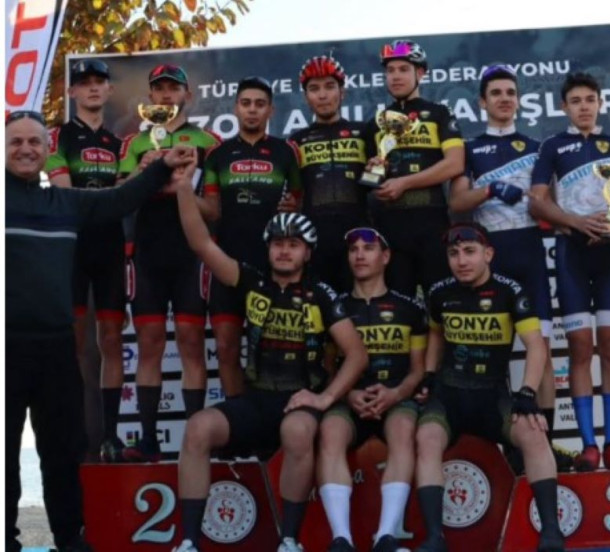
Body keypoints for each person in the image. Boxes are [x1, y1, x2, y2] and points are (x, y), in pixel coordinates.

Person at [6, 110, 194, 552]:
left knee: (63, 452)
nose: (26, 149)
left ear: (47, 151)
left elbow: (119, 200)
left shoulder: (65, 204)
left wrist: (162, 167)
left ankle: (70, 538)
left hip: (57, 349)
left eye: (34, 142)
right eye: (16, 142)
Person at [170, 165, 369, 552]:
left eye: (293, 244)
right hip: (256, 400)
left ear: (307, 252)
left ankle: (289, 541)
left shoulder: (322, 294)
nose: (284, 250)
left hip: (300, 402)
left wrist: (324, 399)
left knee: (296, 432)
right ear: (268, 249)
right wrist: (182, 186)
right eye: (277, 243)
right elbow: (201, 243)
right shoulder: (251, 281)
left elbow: (357, 355)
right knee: (197, 428)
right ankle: (189, 542)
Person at [449, 63, 571, 471]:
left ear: (519, 100)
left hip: (530, 255)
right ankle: (503, 445)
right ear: (482, 103)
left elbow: (553, 205)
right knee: (492, 354)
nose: (504, 99)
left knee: (543, 351)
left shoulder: (538, 147)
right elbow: (457, 203)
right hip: (490, 256)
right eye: (496, 93)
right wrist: (489, 190)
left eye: (510, 93)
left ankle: (545, 444)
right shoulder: (470, 148)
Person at [413, 223, 563, 552]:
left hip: (492, 396)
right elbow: (435, 334)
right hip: (449, 397)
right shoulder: (439, 293)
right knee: (426, 439)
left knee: (535, 435)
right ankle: (434, 537)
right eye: (454, 254)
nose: (461, 261)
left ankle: (551, 533)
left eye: (470, 252)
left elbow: (536, 346)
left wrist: (527, 392)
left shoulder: (511, 292)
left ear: (488, 254)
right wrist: (428, 374)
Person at [118, 64, 222, 462]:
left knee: (192, 343)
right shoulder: (136, 142)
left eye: (173, 88)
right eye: (159, 89)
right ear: (150, 98)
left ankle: (195, 441)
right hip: (148, 253)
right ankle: (148, 440)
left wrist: (181, 187)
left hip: (190, 255)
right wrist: (142, 174)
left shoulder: (208, 141)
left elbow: (214, 210)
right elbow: (118, 197)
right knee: (149, 344)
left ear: (187, 95)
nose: (166, 95)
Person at [529, 72, 610, 471]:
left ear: (600, 103)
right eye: (576, 101)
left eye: (590, 99)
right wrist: (575, 221)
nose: (584, 107)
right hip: (571, 251)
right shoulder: (553, 146)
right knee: (580, 347)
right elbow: (537, 202)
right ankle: (589, 444)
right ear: (564, 107)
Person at [317, 227, 427, 552]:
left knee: (403, 429)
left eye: (368, 248)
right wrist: (346, 393)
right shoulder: (335, 306)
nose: (360, 255)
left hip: (395, 399)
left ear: (386, 256)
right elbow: (327, 366)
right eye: (353, 250)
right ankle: (341, 539)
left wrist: (397, 394)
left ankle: (386, 537)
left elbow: (418, 369)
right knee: (330, 431)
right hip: (349, 399)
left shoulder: (410, 308)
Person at [44, 59, 126, 462]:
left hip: (111, 247)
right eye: (85, 82)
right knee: (76, 343)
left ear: (109, 90)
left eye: (100, 82)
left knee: (112, 341)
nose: (93, 88)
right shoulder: (57, 136)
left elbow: (127, 194)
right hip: (72, 247)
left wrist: (116, 195)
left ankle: (111, 435)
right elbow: (65, 192)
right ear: (72, 92)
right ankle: (77, 430)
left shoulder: (120, 143)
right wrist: (110, 197)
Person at [204, 76, 301, 398]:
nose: (252, 110)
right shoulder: (217, 154)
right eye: (246, 103)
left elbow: (300, 203)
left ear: (271, 110)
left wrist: (294, 205)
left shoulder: (286, 151)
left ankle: (273, 417)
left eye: (260, 104)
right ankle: (236, 416)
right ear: (235, 108)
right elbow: (212, 211)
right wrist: (180, 189)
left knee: (272, 349)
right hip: (227, 261)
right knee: (226, 347)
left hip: (272, 264)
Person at [366, 39, 465, 297]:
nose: (395, 76)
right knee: (399, 307)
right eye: (390, 70)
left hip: (432, 223)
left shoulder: (439, 113)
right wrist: (374, 173)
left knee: (441, 302)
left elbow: (455, 163)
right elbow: (370, 181)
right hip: (391, 228)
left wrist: (405, 183)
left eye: (403, 69)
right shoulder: (376, 123)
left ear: (420, 73)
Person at [289, 55, 369, 293]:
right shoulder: (296, 140)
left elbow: (380, 182)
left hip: (358, 239)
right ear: (306, 97)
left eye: (329, 86)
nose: (322, 95)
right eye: (314, 89)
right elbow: (292, 192)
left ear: (342, 92)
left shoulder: (364, 132)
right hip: (315, 240)